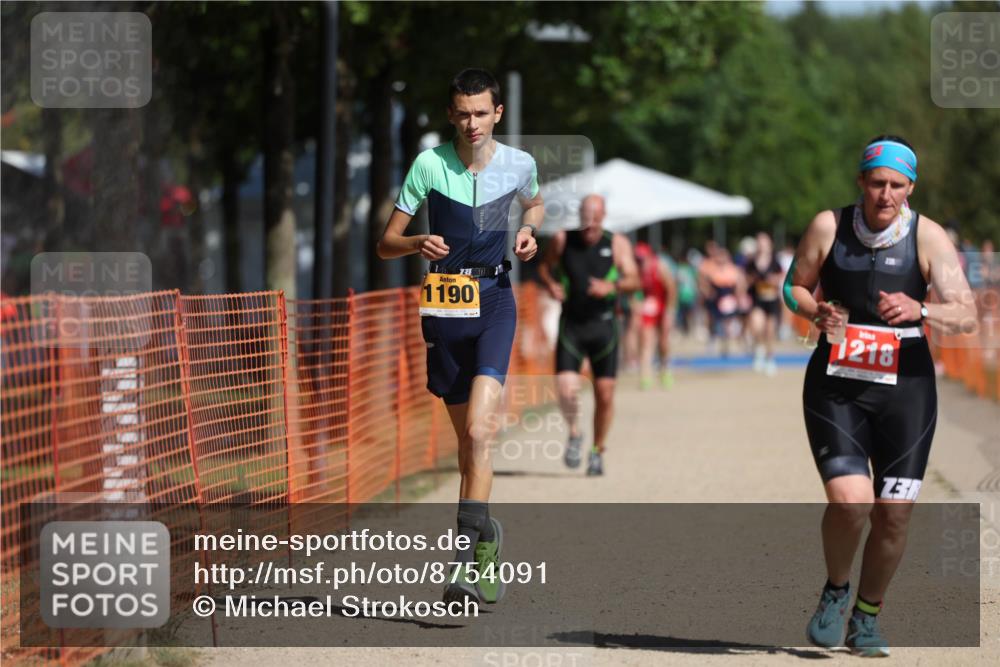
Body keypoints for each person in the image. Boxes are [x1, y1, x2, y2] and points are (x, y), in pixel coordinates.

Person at [785, 135, 976, 656]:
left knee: (893, 512)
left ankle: (866, 616)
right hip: (837, 385)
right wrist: (814, 310)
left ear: (910, 187)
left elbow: (967, 314)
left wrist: (924, 310)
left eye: (895, 185)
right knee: (852, 503)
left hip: (907, 391)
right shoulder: (830, 226)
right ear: (861, 182)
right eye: (876, 183)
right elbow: (793, 286)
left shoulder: (928, 237)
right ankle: (836, 591)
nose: (884, 194)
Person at [376, 68, 543, 608]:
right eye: (462, 113)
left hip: (495, 302)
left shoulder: (520, 164)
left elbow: (535, 202)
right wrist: (417, 241)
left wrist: (528, 230)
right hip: (445, 310)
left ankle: (463, 566)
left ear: (497, 114)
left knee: (479, 433)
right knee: (465, 449)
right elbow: (386, 243)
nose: (472, 123)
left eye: (481, 113)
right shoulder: (428, 164)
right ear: (451, 114)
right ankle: (487, 536)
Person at [538, 194, 640, 476]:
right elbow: (544, 267)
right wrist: (552, 285)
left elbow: (634, 279)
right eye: (585, 220)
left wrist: (613, 287)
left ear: (604, 217)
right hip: (572, 325)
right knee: (565, 388)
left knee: (605, 395)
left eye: (595, 220)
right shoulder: (562, 239)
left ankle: (597, 450)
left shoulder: (617, 244)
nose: (590, 226)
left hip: (604, 327)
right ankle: (574, 432)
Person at [635, 242, 676, 390]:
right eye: (638, 259)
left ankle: (665, 369)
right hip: (648, 309)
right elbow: (636, 292)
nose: (640, 262)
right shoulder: (638, 271)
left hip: (663, 307)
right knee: (646, 342)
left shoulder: (660, 267)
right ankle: (645, 376)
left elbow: (671, 289)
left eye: (642, 259)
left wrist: (669, 312)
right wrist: (637, 306)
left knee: (664, 342)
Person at [746, 232, 784, 376]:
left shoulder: (775, 260)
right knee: (757, 326)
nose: (762, 245)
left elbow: (782, 276)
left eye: (764, 242)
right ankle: (759, 350)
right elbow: (746, 279)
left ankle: (770, 359)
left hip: (772, 300)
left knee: (769, 331)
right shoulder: (751, 262)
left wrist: (773, 280)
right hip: (757, 300)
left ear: (769, 244)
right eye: (759, 242)